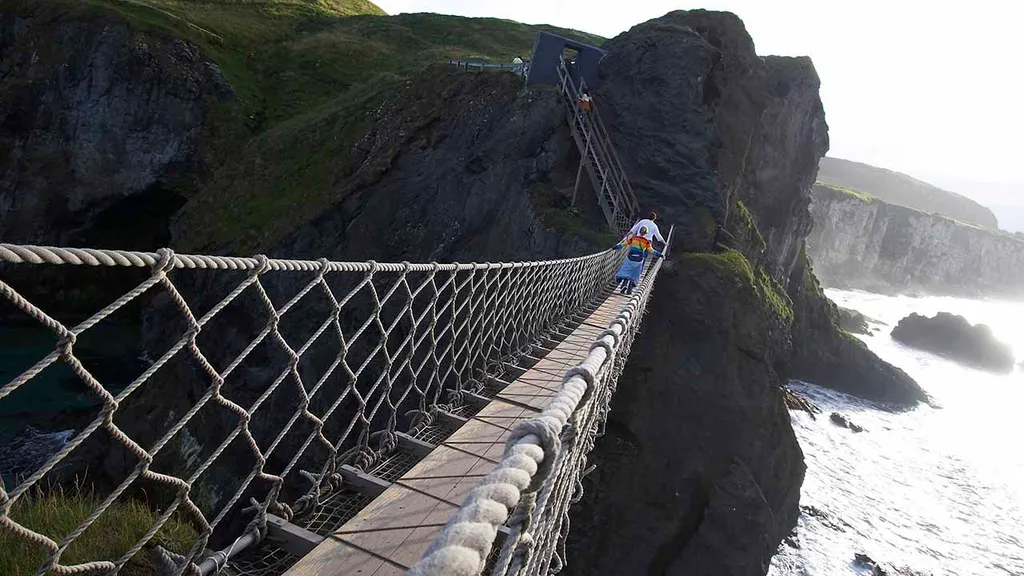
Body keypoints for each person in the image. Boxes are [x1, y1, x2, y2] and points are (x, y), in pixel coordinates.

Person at [613, 226, 663, 295]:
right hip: (639, 259)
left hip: (630, 257)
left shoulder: (634, 238)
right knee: (634, 274)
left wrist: (616, 247)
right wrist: (659, 254)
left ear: (639, 231)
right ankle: (629, 290)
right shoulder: (646, 242)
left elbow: (624, 243)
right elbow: (651, 251)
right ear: (646, 233)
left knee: (626, 271)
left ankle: (624, 284)